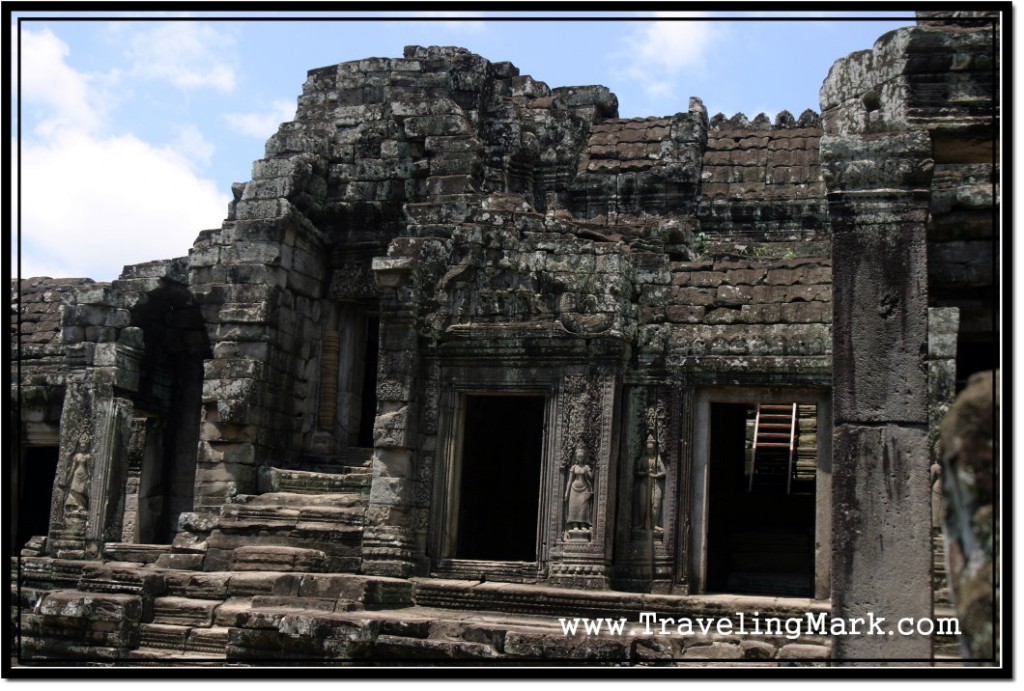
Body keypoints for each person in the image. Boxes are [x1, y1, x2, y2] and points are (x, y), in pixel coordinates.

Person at [634, 433, 666, 531]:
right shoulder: (643, 459)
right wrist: (645, 473)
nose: (650, 451)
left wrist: (655, 475)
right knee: (643, 503)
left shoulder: (658, 459)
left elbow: (664, 472)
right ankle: (641, 523)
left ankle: (655, 524)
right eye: (648, 449)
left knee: (656, 504)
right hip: (644, 482)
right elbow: (637, 472)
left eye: (651, 449)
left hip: (655, 483)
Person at [564, 447, 594, 531]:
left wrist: (594, 467)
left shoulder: (586, 467)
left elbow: (591, 477)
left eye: (582, 456)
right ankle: (575, 524)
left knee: (583, 507)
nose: (580, 458)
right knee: (574, 507)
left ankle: (583, 524)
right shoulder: (574, 467)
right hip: (574, 489)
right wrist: (567, 492)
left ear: (584, 457)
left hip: (584, 489)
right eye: (579, 456)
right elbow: (570, 481)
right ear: (576, 457)